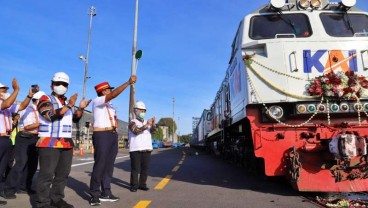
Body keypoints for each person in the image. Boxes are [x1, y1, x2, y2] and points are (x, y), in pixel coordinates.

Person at [35, 72, 91, 208]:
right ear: (51, 85)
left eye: (64, 84)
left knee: (62, 174)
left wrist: (81, 108)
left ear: (67, 86)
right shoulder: (45, 98)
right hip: (48, 141)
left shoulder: (67, 103)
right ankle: (43, 203)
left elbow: (75, 119)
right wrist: (69, 106)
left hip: (65, 142)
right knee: (46, 175)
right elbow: (49, 115)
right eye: (57, 83)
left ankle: (56, 198)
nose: (61, 86)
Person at [89, 75, 136, 206]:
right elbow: (113, 95)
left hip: (112, 134)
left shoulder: (110, 105)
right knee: (100, 165)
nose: (110, 91)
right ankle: (94, 194)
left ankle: (106, 192)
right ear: (103, 91)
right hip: (102, 134)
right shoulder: (97, 101)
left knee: (109, 166)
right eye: (109, 89)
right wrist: (127, 83)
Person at [3, 91, 46, 199]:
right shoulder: (30, 109)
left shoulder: (40, 111)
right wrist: (42, 124)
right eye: (44, 101)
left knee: (32, 164)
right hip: (24, 138)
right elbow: (27, 127)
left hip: (34, 138)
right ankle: (9, 189)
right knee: (21, 163)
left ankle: (24, 186)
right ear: (38, 100)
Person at [0, 79, 34, 206]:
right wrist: (16, 90)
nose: (5, 92)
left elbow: (22, 106)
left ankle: (2, 191)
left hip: (6, 139)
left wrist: (29, 95)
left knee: (2, 168)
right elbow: (7, 104)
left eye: (6, 90)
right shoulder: (3, 104)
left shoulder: (7, 106)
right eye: (3, 90)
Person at [128, 101, 156, 192]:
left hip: (147, 148)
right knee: (135, 168)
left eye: (144, 111)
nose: (143, 113)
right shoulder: (132, 122)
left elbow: (153, 131)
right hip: (136, 149)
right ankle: (134, 185)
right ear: (136, 111)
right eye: (141, 110)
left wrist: (153, 124)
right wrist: (147, 124)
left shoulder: (146, 122)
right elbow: (136, 131)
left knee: (145, 168)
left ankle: (142, 184)